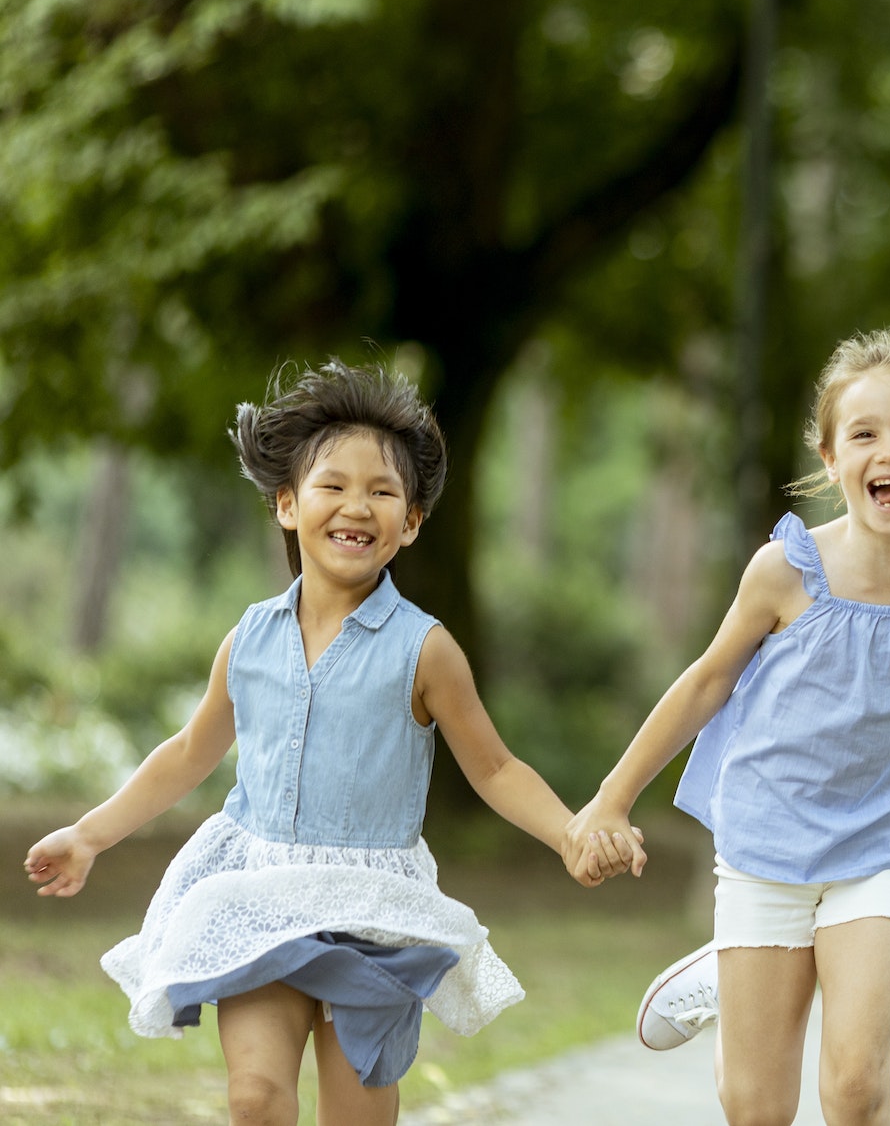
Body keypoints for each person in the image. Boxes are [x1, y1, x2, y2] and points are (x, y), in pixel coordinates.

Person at [22, 360, 613, 1126]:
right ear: (287, 504)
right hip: (259, 891)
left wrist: (569, 831)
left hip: (374, 908)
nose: (356, 505)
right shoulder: (250, 638)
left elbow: (495, 767)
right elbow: (188, 752)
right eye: (333, 485)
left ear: (411, 523)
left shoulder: (425, 650)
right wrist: (87, 834)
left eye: (382, 491)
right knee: (257, 1097)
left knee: (356, 1114)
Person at [563, 329, 890, 1126]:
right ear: (833, 460)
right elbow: (704, 684)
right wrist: (610, 799)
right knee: (757, 1108)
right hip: (768, 847)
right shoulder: (787, 570)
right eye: (864, 433)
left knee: (856, 1090)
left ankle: (752, 973)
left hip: (875, 849)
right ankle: (731, 970)